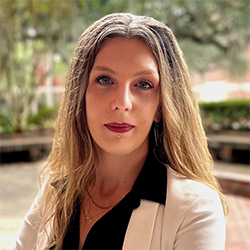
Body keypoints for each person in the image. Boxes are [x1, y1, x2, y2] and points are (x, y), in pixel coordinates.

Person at [12, 13, 228, 250]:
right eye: (105, 80)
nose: (122, 102)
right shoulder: (54, 192)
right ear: (80, 96)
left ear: (161, 107)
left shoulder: (195, 210)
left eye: (143, 85)